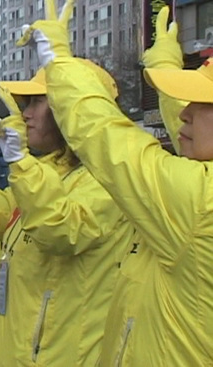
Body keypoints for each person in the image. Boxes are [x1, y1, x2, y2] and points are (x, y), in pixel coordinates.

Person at [22, 1, 213, 365]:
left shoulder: (199, 201)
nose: (184, 111)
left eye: (202, 103)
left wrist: (59, 63)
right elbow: (192, 135)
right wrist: (163, 67)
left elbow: (108, 139)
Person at [0, 59, 132, 366]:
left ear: (73, 106)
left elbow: (62, 231)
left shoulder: (108, 177)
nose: (25, 113)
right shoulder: (45, 171)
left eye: (38, 102)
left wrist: (20, 162)